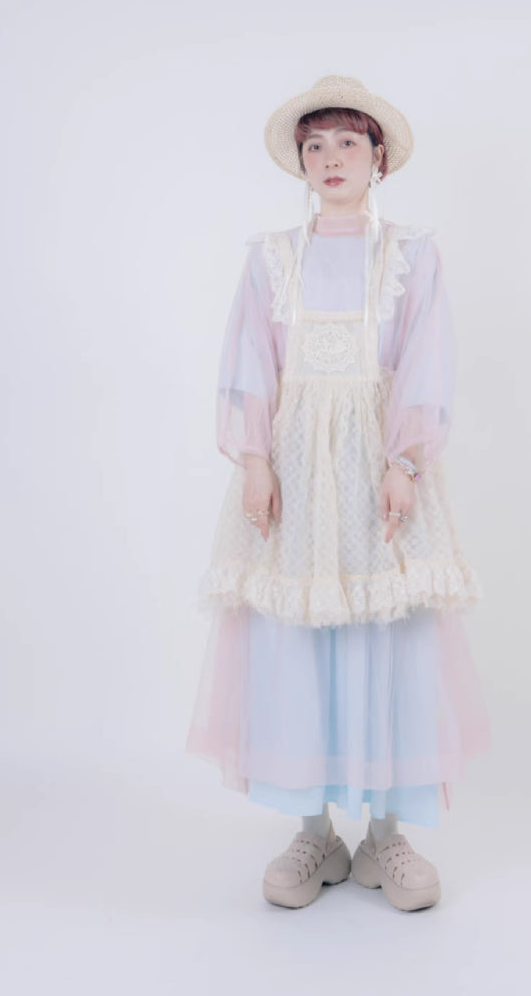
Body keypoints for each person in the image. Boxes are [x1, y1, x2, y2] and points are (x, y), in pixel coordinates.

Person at [186, 75, 491, 911]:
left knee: (388, 632)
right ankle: (314, 831)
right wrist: (255, 460)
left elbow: (427, 362)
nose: (330, 158)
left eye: (348, 142)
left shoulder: (411, 255)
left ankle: (386, 834)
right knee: (299, 636)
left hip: (380, 468)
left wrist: (405, 462)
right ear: (300, 163)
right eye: (314, 145)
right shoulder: (271, 257)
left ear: (377, 157)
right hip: (297, 473)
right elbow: (248, 363)